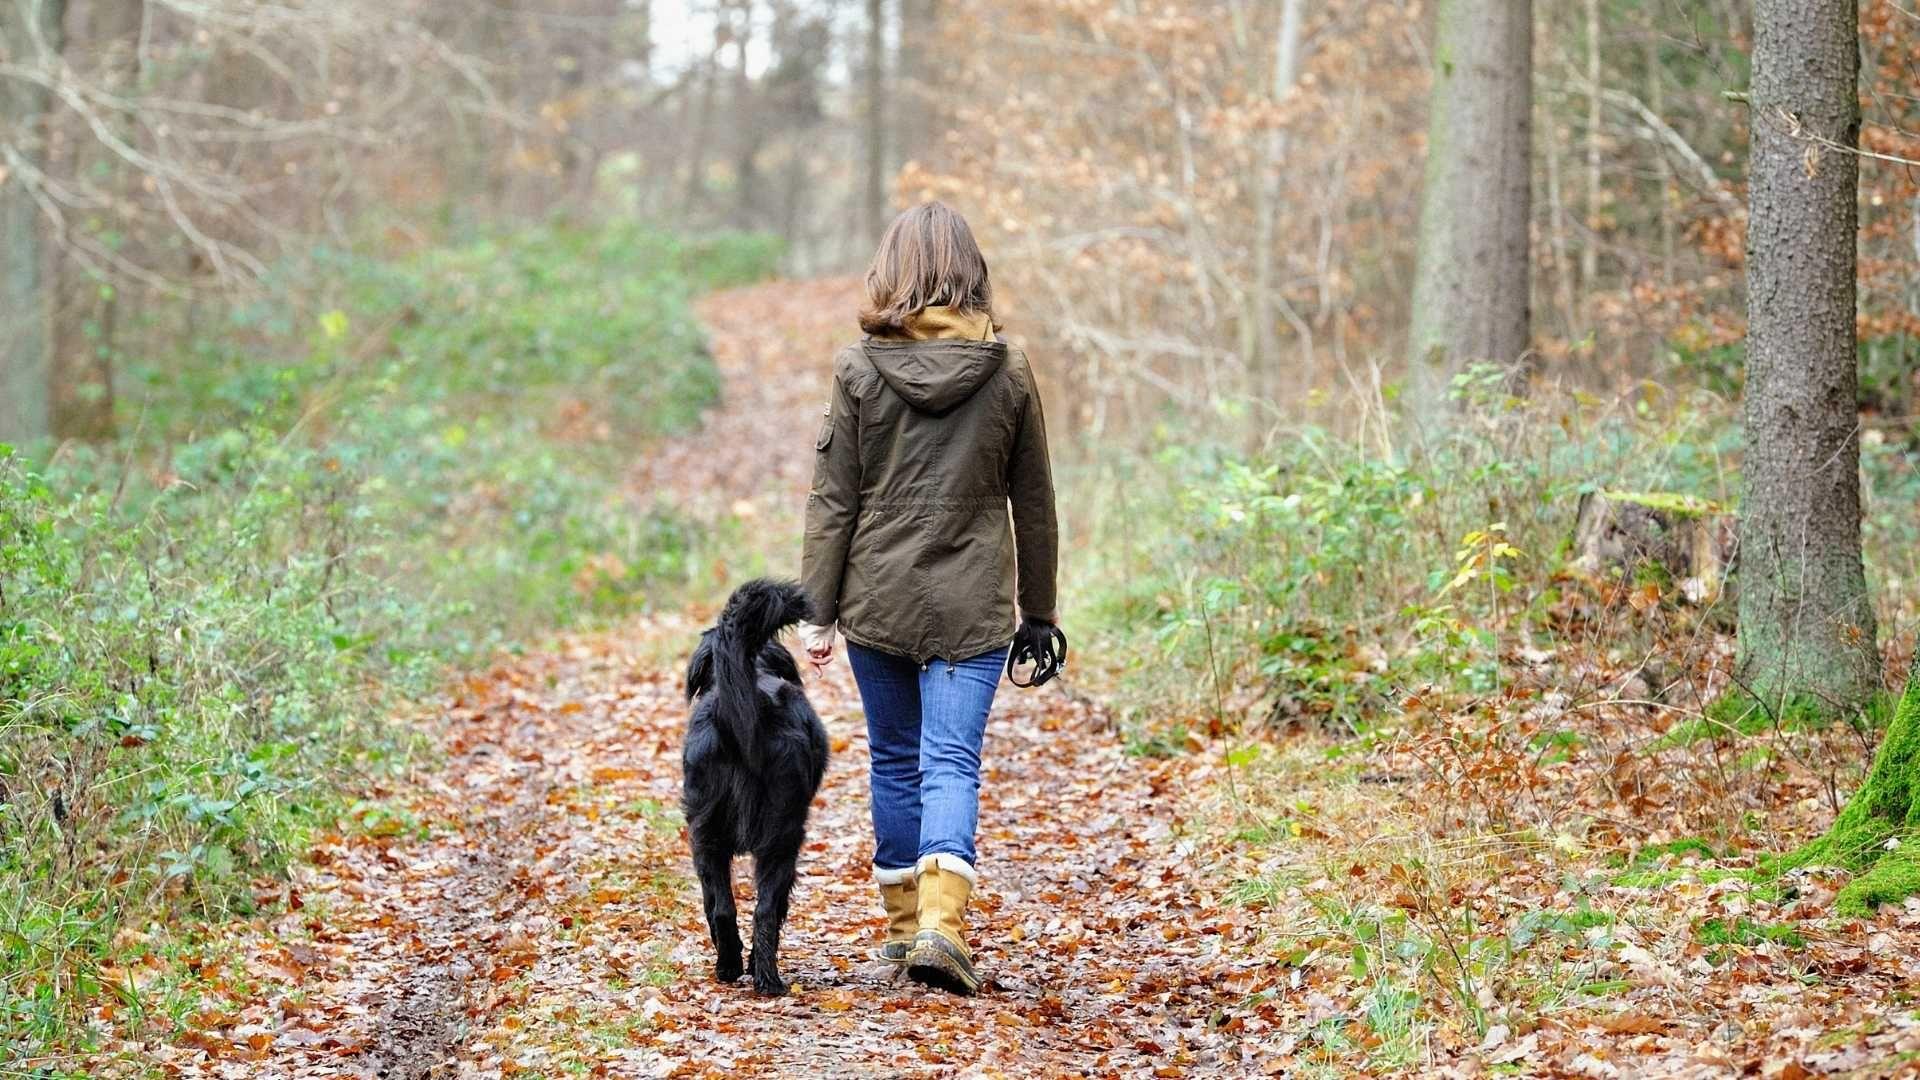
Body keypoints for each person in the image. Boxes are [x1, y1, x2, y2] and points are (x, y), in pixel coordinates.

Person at [798, 201, 1060, 996]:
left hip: (878, 596)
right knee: (952, 761)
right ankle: (944, 928)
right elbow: (1035, 500)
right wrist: (1039, 611)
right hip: (974, 600)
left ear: (892, 273)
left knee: (898, 760)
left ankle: (907, 928)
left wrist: (819, 611)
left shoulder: (857, 370)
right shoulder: (1008, 370)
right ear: (970, 273)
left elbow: (832, 500)